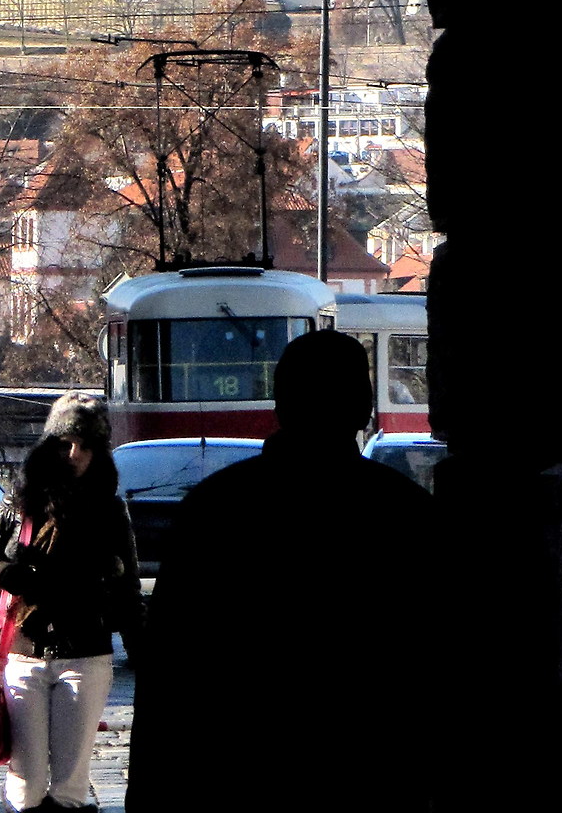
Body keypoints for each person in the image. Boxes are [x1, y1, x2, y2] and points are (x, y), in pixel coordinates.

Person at [126, 329, 435, 811]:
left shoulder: (215, 510)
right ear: (362, 409)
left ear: (280, 405)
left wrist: (150, 788)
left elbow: (171, 664)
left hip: (236, 776)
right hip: (372, 778)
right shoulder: (407, 514)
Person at [0, 393, 142, 813]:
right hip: (24, 654)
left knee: (69, 783)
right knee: (24, 783)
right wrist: (4, 573)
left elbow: (129, 593)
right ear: (49, 444)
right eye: (66, 442)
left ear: (98, 453)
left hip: (85, 654)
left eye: (85, 445)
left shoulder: (110, 510)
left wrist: (142, 645)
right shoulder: (22, 502)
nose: (74, 454)